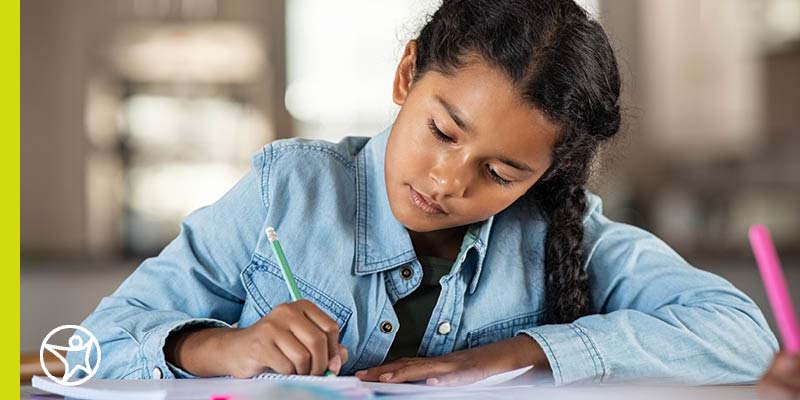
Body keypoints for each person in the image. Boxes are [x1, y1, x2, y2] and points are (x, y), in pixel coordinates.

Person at [69, 0, 778, 386]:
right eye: (442, 131)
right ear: (408, 75)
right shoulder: (287, 192)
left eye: (501, 174)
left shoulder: (561, 231)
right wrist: (224, 347)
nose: (447, 181)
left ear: (546, 175)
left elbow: (740, 336)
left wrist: (517, 352)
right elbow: (86, 351)